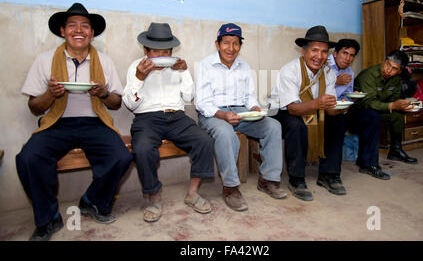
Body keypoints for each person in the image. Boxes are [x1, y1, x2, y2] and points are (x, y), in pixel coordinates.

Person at [16, 3, 133, 241]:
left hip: (95, 122)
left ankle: (93, 201)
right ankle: (48, 219)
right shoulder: (45, 60)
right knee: (28, 158)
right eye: (72, 25)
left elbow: (116, 103)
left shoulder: (105, 62)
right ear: (62, 31)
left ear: (92, 33)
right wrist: (50, 94)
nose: (78, 30)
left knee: (121, 156)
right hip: (57, 123)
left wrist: (103, 94)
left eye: (85, 26)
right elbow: (33, 107)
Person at [122, 22, 215, 222]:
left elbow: (189, 97)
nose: (161, 56)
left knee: (204, 140)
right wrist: (140, 77)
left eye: (166, 52)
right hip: (146, 118)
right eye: (155, 52)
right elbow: (130, 104)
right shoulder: (135, 67)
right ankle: (154, 198)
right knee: (143, 148)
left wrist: (184, 71)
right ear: (145, 50)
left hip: (176, 117)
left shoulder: (177, 66)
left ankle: (192, 193)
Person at [195, 23, 286, 212]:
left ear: (240, 46)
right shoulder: (205, 65)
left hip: (240, 112)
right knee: (225, 133)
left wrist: (254, 107)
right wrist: (222, 115)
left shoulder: (244, 65)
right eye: (226, 43)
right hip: (213, 114)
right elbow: (202, 103)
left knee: (273, 126)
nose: (231, 48)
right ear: (217, 44)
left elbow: (249, 96)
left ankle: (268, 180)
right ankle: (230, 188)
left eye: (235, 43)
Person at [271, 25, 347, 201]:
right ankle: (296, 179)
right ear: (303, 51)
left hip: (314, 110)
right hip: (284, 112)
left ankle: (329, 174)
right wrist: (318, 103)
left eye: (324, 52)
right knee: (296, 125)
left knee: (338, 121)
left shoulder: (328, 73)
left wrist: (339, 108)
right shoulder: (289, 71)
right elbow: (292, 108)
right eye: (314, 50)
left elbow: (328, 107)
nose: (319, 56)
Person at [346, 50, 418, 181]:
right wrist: (391, 106)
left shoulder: (396, 79)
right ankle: (368, 164)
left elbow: (394, 99)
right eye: (387, 64)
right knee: (374, 116)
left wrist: (401, 105)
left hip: (377, 109)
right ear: (384, 61)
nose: (388, 70)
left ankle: (395, 150)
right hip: (356, 113)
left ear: (400, 71)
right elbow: (369, 103)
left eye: (394, 68)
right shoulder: (369, 75)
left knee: (397, 114)